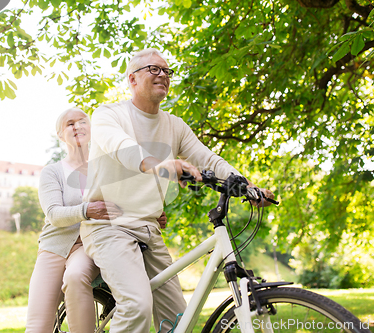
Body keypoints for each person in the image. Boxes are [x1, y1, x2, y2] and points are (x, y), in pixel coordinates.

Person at [80, 48, 274, 333]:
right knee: (136, 306)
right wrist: (161, 165)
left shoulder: (175, 125)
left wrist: (246, 185)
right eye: (154, 69)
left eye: (167, 71)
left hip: (149, 229)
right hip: (109, 227)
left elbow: (208, 158)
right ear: (132, 79)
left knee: (179, 321)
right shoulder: (109, 114)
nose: (163, 76)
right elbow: (122, 148)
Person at [25, 107, 167, 333]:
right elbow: (53, 214)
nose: (77, 126)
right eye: (70, 123)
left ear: (92, 130)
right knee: (37, 325)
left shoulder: (109, 167)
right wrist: (87, 210)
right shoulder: (52, 172)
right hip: (54, 248)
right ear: (61, 135)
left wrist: (150, 213)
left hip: (90, 244)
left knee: (75, 276)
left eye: (82, 121)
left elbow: (127, 202)